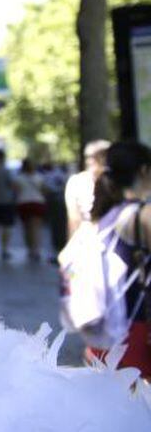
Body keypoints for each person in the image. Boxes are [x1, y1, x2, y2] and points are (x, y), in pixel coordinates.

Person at [82, 140, 151, 378]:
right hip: (138, 333)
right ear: (143, 171)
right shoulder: (143, 216)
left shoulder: (102, 215)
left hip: (106, 331)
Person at [66, 139, 110, 237]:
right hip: (88, 237)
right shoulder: (77, 181)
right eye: (89, 157)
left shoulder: (116, 180)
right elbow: (73, 219)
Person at [14, 160, 47, 262]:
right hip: (37, 203)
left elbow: (16, 192)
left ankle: (30, 248)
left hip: (24, 203)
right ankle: (36, 249)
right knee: (36, 228)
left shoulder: (18, 178)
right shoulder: (39, 177)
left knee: (27, 227)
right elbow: (44, 190)